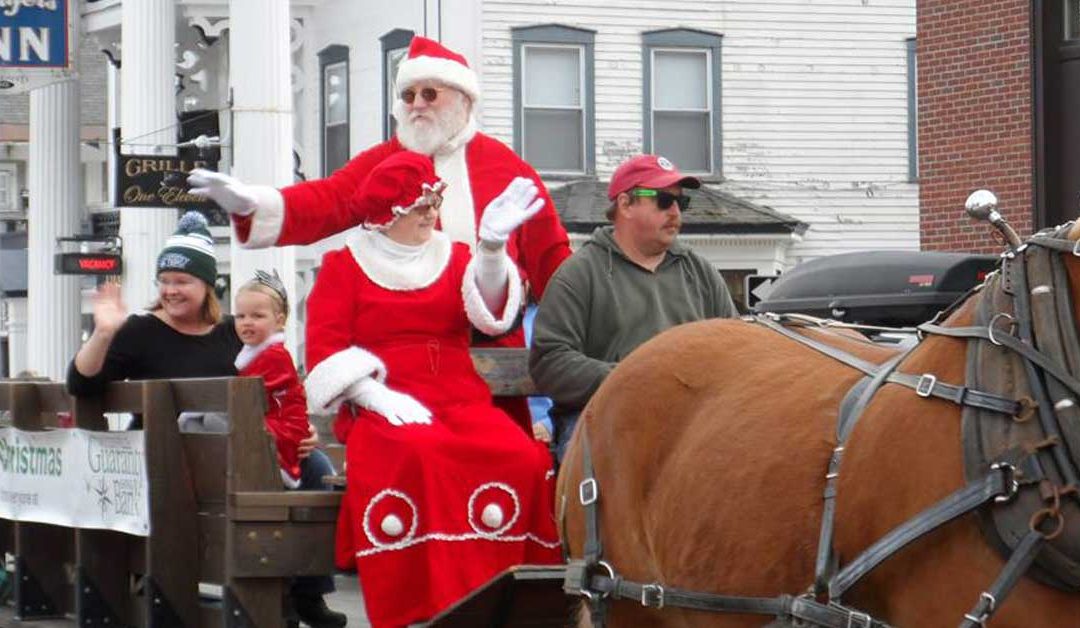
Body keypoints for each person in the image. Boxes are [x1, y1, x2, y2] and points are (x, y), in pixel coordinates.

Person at [187, 35, 572, 433]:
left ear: (464, 100)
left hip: (492, 356)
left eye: (429, 93)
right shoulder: (386, 165)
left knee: (508, 458)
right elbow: (328, 200)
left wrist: (587, 336)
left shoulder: (509, 170)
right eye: (408, 95)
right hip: (402, 364)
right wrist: (252, 203)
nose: (417, 104)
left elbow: (554, 266)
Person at [302, 151, 561, 628]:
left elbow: (491, 314)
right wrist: (374, 395)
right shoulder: (344, 266)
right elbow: (324, 351)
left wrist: (490, 250)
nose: (430, 214)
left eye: (433, 203)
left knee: (525, 457)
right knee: (419, 454)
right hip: (388, 403)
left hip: (459, 396)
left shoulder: (455, 254)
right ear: (387, 212)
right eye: (419, 206)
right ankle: (426, 602)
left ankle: (516, 596)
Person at [66, 212, 347, 628]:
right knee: (247, 481)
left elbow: (276, 386)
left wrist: (299, 430)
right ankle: (266, 592)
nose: (171, 290)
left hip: (240, 444)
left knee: (318, 467)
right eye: (165, 280)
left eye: (182, 282)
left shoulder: (236, 331)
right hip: (172, 457)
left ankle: (306, 589)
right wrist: (104, 332)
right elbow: (81, 383)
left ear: (206, 285)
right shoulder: (140, 330)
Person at [529, 154, 739, 462]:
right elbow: (550, 362)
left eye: (682, 203)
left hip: (692, 420)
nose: (676, 212)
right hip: (602, 417)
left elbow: (735, 348)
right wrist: (636, 380)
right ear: (625, 205)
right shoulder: (580, 273)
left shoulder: (700, 273)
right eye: (664, 200)